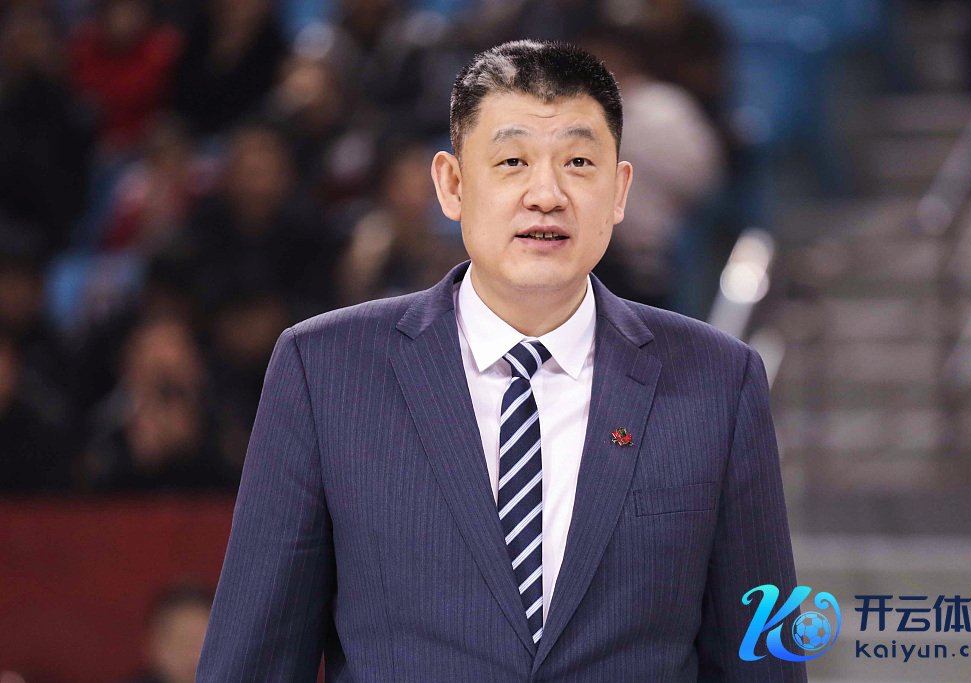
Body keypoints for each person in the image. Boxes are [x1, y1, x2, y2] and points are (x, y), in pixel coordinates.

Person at [198, 40, 805, 681]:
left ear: (619, 190)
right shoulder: (324, 370)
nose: (546, 194)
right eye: (512, 161)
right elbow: (253, 661)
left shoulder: (720, 379)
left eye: (578, 162)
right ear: (452, 185)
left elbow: (765, 661)